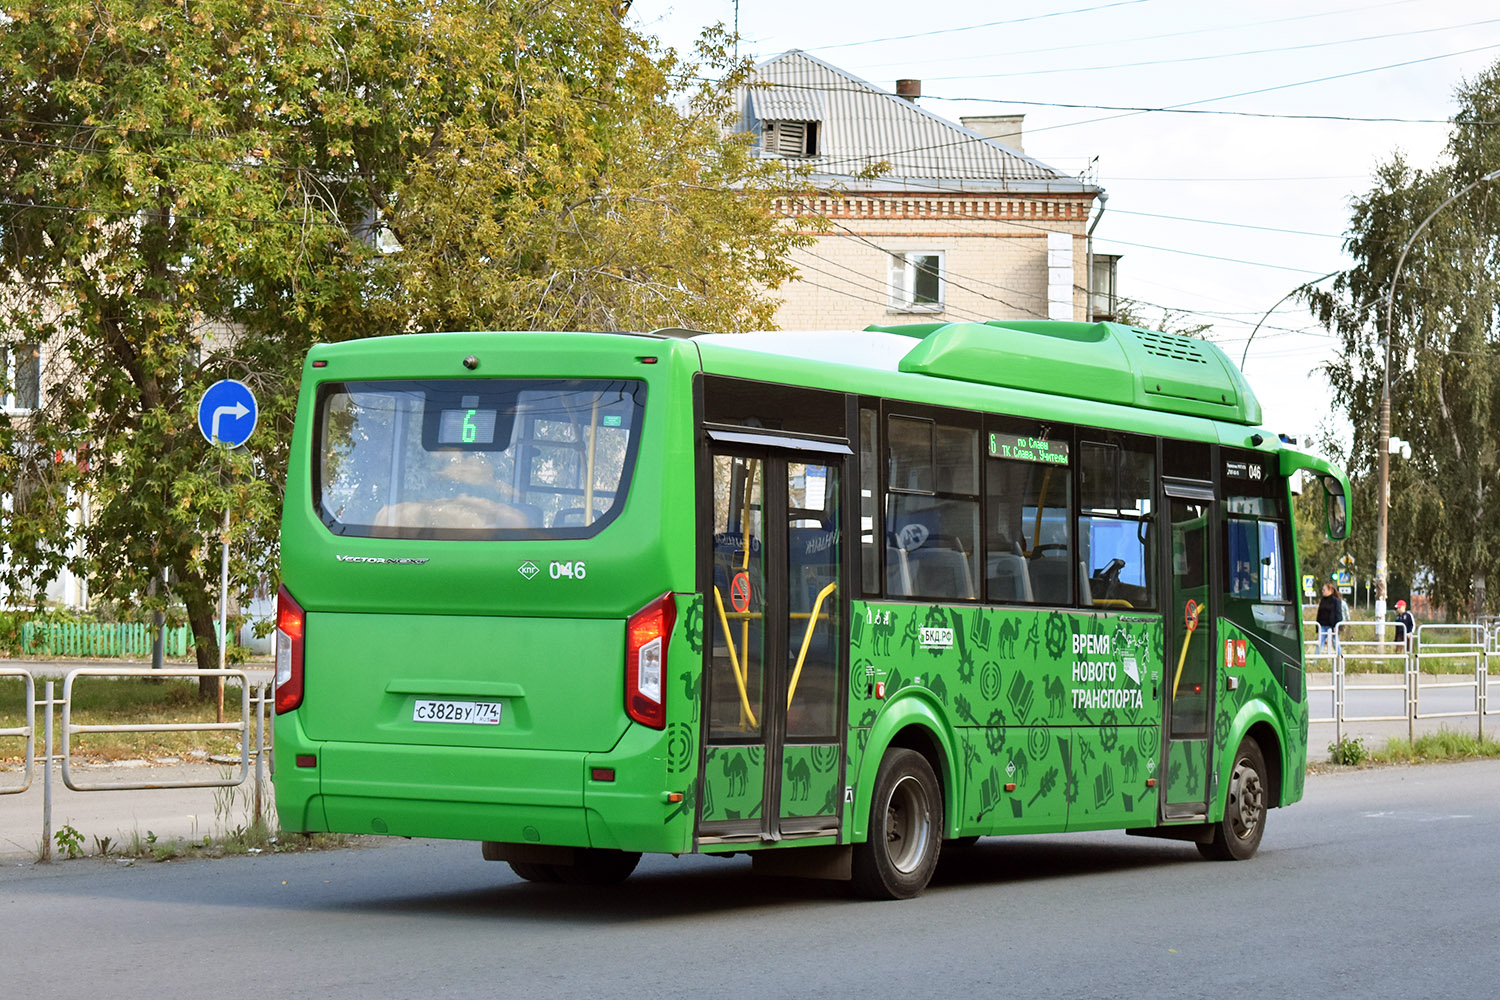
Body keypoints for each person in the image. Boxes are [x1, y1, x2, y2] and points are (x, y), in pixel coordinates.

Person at [1315, 582, 1343, 655]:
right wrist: (1317, 628)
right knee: (1319, 643)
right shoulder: (1323, 600)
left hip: (1331, 626)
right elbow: (1319, 613)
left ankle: (1340, 658)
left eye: (1324, 590)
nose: (1322, 591)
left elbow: (1338, 614)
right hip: (1322, 626)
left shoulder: (1335, 601)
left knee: (1335, 643)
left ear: (1329, 590)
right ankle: (1315, 661)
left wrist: (1336, 626)